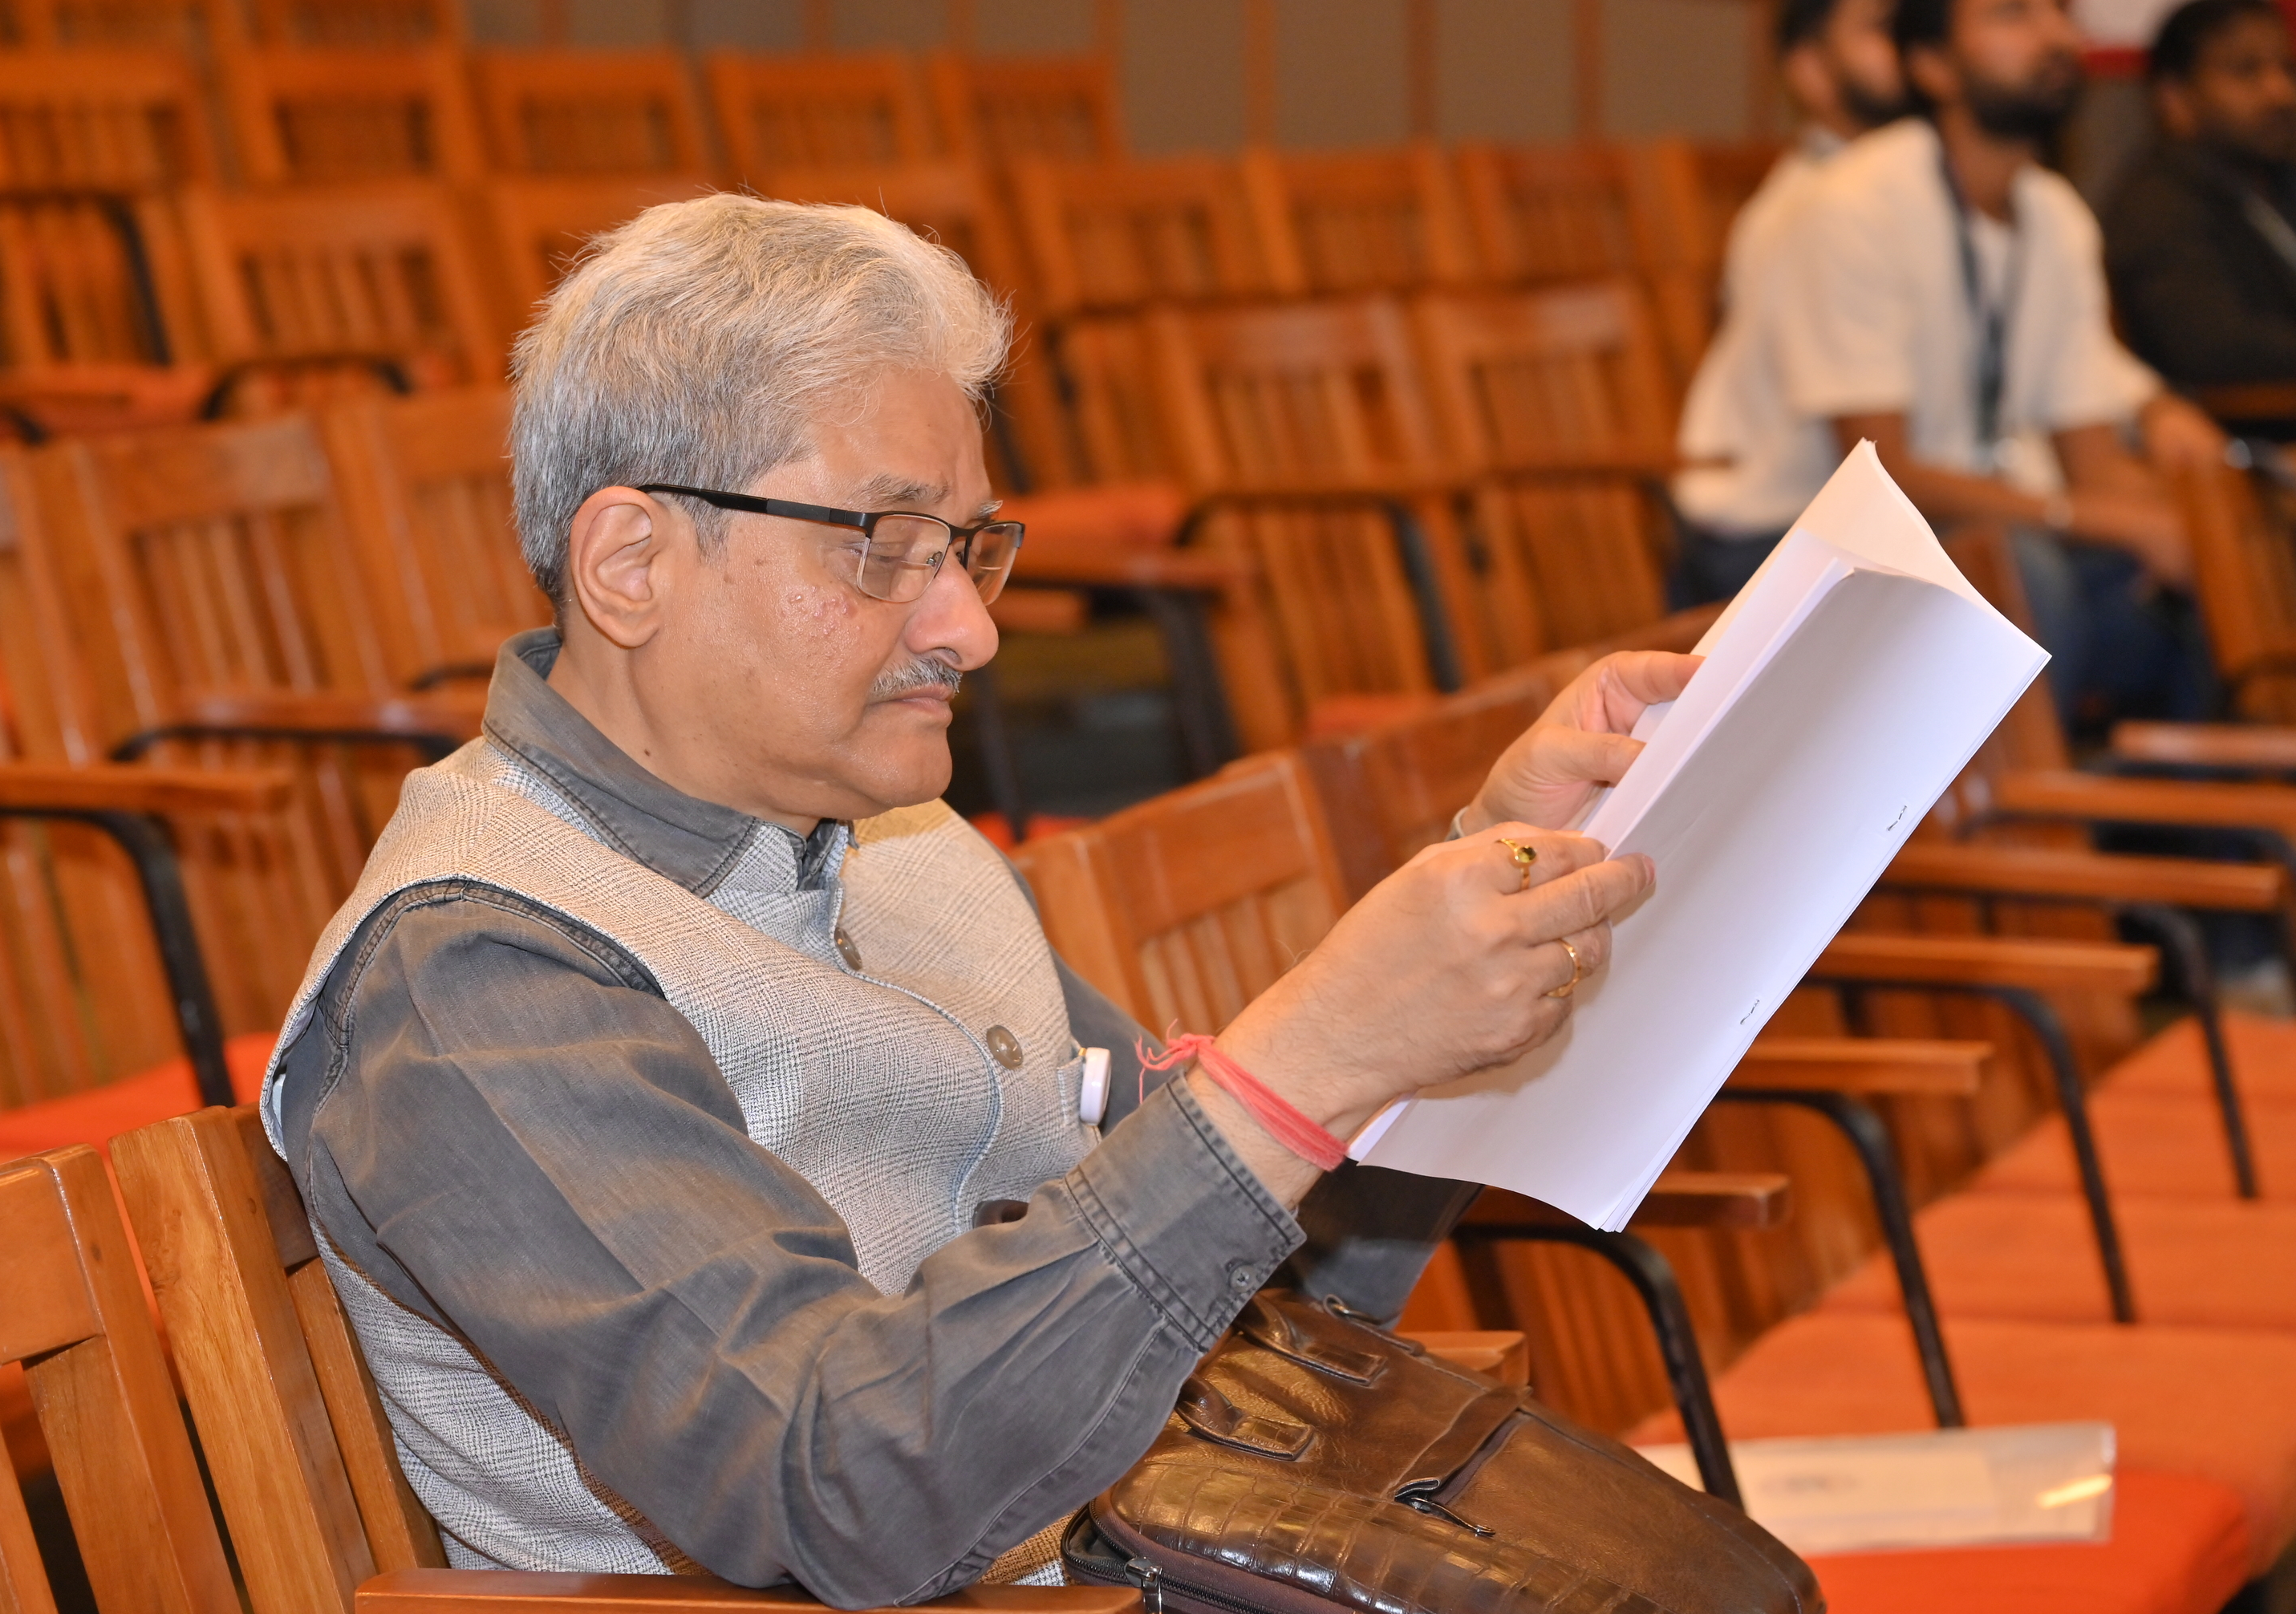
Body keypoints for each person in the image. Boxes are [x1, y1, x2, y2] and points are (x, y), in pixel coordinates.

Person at [257, 195, 1687, 1605]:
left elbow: (1260, 1265)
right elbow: (839, 1489)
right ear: (633, 565)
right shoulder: (478, 971)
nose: (971, 627)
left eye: (966, 548)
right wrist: (1303, 1066)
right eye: (884, 544)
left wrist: (1500, 893)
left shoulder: (902, 838)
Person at [1773, 0, 2224, 732]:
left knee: (2205, 562)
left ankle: (2201, 800)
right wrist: (2092, 517)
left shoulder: (2056, 214)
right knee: (2021, 573)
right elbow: (1878, 473)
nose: (2055, 36)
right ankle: (2026, 801)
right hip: (1798, 542)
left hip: (1975, 521)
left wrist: (2195, 517)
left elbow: (2093, 463)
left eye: (2059, 13)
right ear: (1932, 66)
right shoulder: (1854, 204)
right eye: (2014, 14)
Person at [1673, 0, 1907, 602]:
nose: (1911, 40)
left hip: (1866, 520)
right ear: (1810, 72)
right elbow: (1881, 463)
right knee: (2021, 569)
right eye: (1884, 28)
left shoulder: (1924, 194)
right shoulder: (1819, 208)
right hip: (1771, 536)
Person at [2104, 0, 2296, 438]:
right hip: (2239, 441)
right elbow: (2215, 349)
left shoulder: (2278, 182)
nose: (2280, 92)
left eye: (2286, 69)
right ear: (2175, 98)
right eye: (2246, 71)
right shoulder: (2157, 207)